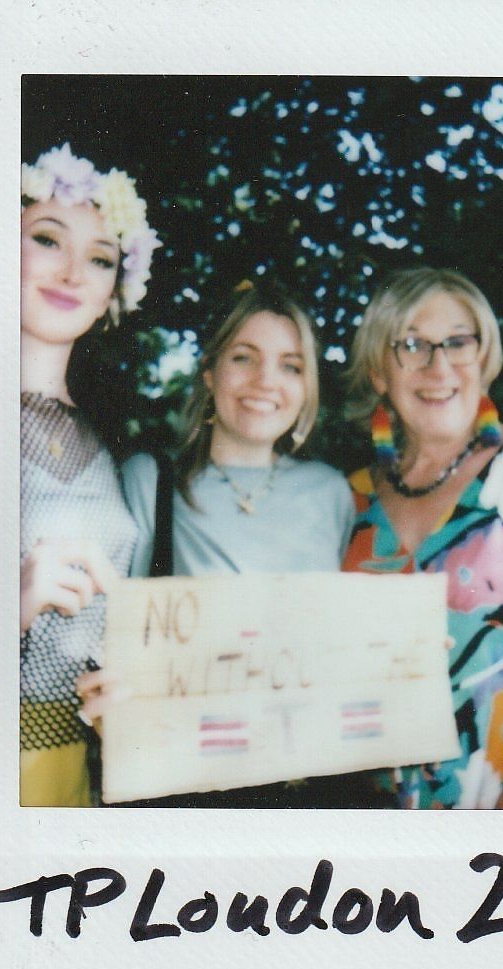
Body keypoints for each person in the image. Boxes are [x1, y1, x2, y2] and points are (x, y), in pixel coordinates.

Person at [79, 282, 357, 807]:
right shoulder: (151, 480)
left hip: (307, 783)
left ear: (307, 387)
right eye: (244, 358)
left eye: (291, 366)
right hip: (183, 780)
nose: (265, 381)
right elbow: (112, 633)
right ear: (210, 373)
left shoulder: (331, 492)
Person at [343, 267, 503, 810]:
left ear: (482, 356)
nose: (439, 366)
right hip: (372, 831)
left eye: (458, 342)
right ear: (378, 372)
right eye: (413, 344)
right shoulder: (348, 500)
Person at [20, 143, 161, 806]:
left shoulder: (111, 446)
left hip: (73, 783)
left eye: (100, 258)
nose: (74, 272)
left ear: (113, 290)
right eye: (48, 240)